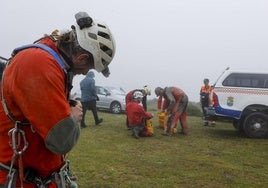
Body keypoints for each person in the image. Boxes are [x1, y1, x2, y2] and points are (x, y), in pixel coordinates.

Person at [0, 11, 115, 187]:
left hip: (37, 177)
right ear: (81, 58)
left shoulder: (51, 62)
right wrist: (73, 116)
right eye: (88, 68)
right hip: (19, 181)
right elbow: (62, 140)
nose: (84, 73)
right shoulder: (38, 64)